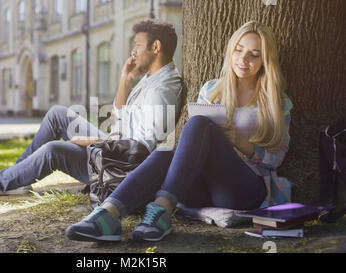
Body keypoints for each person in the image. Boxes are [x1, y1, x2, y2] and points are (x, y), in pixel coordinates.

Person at [66, 21, 294, 243]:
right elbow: (192, 146)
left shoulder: (276, 102)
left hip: (243, 188)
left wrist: (240, 142)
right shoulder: (212, 90)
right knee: (165, 152)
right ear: (230, 51)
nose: (243, 59)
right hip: (200, 185)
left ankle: (160, 211)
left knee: (199, 125)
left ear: (265, 60)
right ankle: (107, 214)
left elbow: (277, 158)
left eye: (254, 54)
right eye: (238, 50)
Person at [0, 19, 182, 203]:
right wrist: (125, 79)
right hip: (114, 150)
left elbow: (139, 150)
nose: (133, 51)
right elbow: (121, 117)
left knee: (53, 150)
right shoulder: (152, 80)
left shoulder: (162, 90)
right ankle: (15, 178)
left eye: (138, 45)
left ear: (156, 46)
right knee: (57, 113)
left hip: (119, 172)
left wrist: (92, 141)